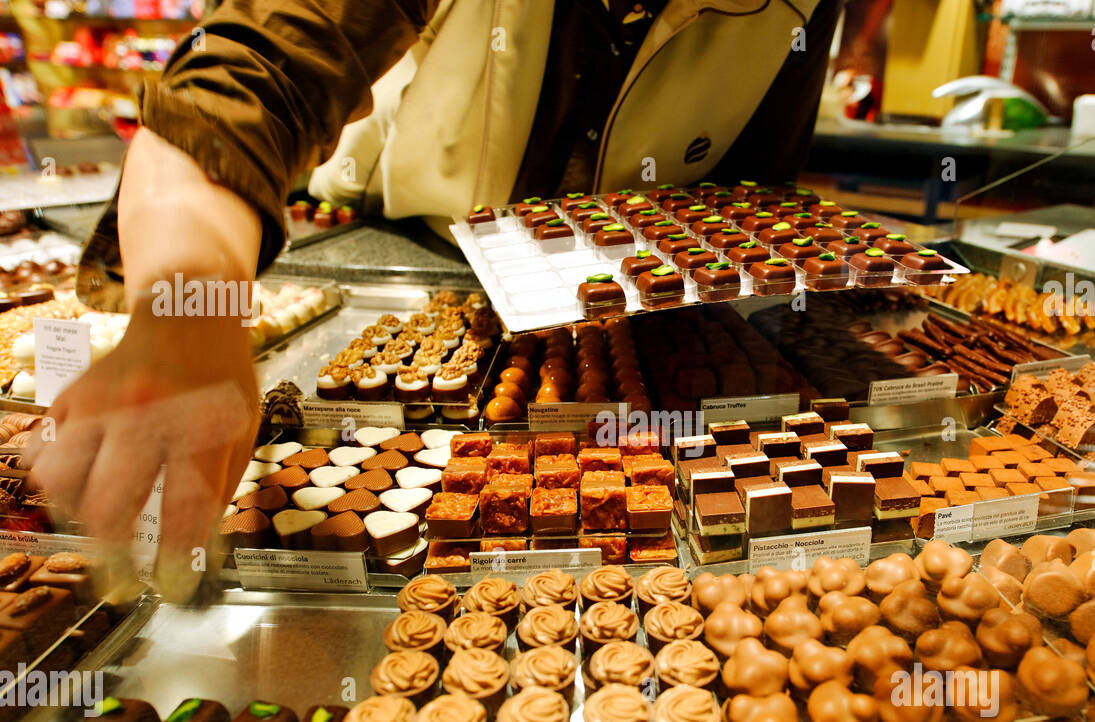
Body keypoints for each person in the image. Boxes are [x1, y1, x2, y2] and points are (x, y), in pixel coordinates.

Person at [30, 0, 840, 599]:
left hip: (644, 309)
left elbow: (753, 197)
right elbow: (255, 71)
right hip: (418, 256)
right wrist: (189, 308)